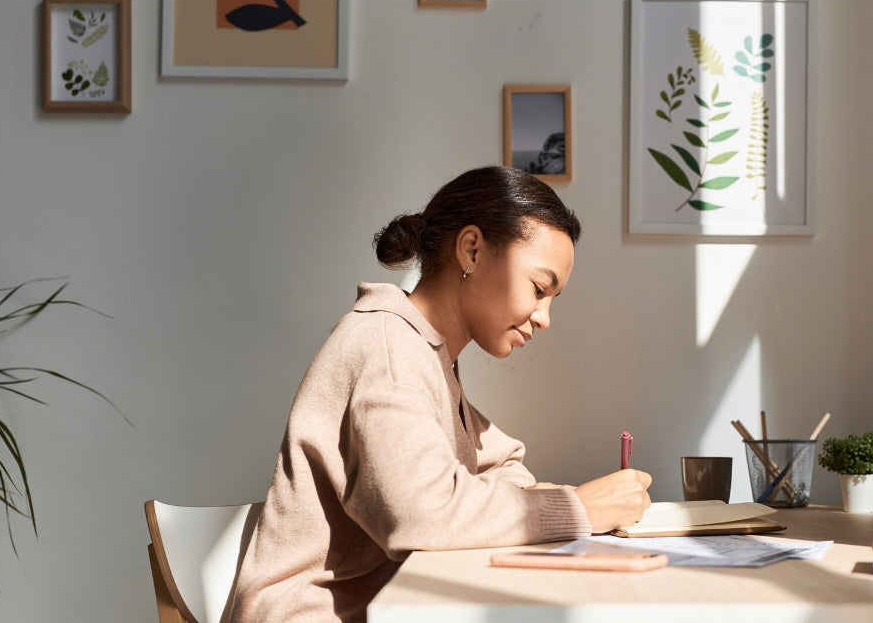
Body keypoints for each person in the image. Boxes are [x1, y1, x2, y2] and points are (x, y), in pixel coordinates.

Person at [226, 165, 652, 623]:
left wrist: (516, 497)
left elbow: (503, 462)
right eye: (538, 288)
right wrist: (575, 508)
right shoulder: (389, 349)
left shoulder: (426, 352)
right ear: (471, 250)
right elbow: (421, 515)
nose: (544, 317)